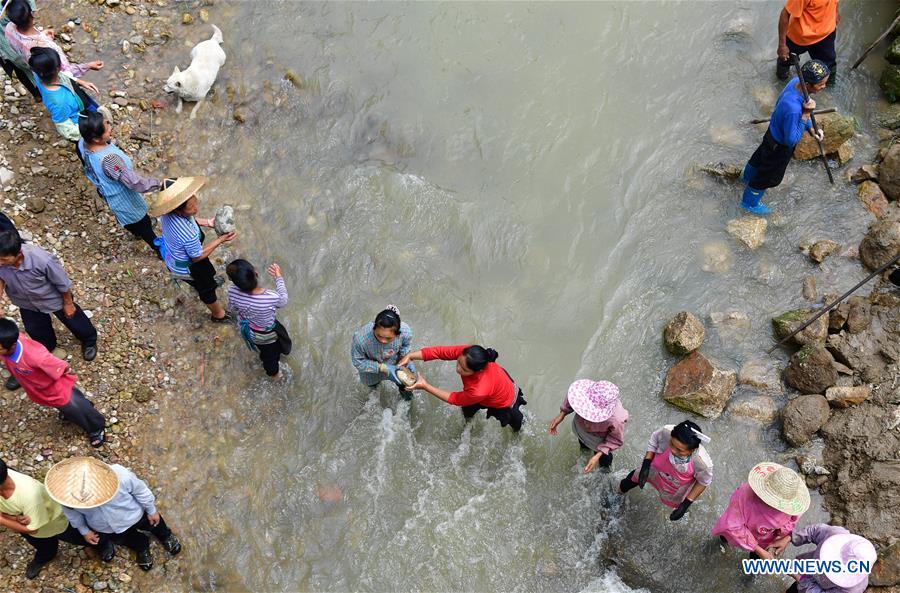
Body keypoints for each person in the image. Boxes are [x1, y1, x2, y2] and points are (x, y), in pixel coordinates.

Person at [46, 457, 181, 571]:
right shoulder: (67, 498)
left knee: (154, 523)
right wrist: (84, 531)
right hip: (106, 527)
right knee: (126, 539)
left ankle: (165, 535)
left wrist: (151, 510)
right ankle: (142, 546)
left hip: (134, 514)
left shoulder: (120, 476)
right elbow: (73, 515)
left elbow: (141, 491)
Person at [740, 59, 830, 215]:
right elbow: (791, 140)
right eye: (821, 84)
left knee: (758, 159)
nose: (824, 86)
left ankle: (745, 180)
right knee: (766, 176)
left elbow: (792, 113)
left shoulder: (795, 82)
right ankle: (749, 203)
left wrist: (811, 129)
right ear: (807, 84)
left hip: (771, 135)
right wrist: (806, 114)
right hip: (779, 147)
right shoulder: (794, 109)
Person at [0, 318, 105, 447]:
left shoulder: (36, 357)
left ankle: (96, 427)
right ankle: (76, 409)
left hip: (54, 388)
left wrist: (66, 373)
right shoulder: (8, 343)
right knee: (67, 406)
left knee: (75, 405)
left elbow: (61, 367)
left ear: (11, 345)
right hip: (37, 387)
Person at [0, 230, 98, 362]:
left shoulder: (43, 260)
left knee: (74, 319)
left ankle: (89, 340)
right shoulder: (2, 261)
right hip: (25, 302)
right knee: (35, 329)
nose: (0, 262)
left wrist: (68, 303)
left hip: (52, 298)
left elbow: (62, 283)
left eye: (4, 260)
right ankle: (49, 347)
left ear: (18, 255)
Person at [149, 177, 235, 322]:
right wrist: (221, 240)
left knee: (205, 279)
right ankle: (218, 315)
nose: (196, 209)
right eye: (191, 208)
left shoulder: (167, 213)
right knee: (206, 290)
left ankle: (206, 283)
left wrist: (208, 222)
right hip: (188, 267)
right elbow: (197, 257)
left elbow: (190, 220)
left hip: (173, 257)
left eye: (195, 202)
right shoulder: (187, 234)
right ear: (178, 210)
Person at [77, 111, 162, 258]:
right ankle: (159, 249)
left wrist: (109, 143)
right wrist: (159, 184)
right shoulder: (110, 160)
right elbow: (135, 184)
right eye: (107, 127)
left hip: (110, 196)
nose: (110, 127)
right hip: (126, 201)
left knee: (127, 220)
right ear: (96, 138)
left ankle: (136, 232)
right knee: (143, 223)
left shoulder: (82, 143)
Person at [400, 344, 528, 431]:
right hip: (490, 386)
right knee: (466, 412)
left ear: (477, 371)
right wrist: (411, 356)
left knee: (517, 428)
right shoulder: (467, 353)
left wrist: (425, 386)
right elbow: (440, 352)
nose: (458, 369)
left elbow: (455, 399)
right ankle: (467, 428)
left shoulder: (479, 390)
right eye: (458, 362)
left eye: (464, 369)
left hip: (506, 402)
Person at [0, 458, 92, 579]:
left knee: (80, 536)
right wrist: (12, 518)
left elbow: (32, 530)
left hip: (53, 522)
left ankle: (103, 543)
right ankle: (45, 556)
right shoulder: (5, 479)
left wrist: (2, 519)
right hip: (26, 523)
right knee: (44, 547)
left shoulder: (29, 496)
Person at [712, 462, 810, 559]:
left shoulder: (793, 507)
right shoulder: (744, 495)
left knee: (757, 558)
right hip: (745, 530)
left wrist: (782, 535)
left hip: (766, 538)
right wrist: (757, 549)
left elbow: (793, 519)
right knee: (726, 537)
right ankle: (721, 544)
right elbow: (732, 526)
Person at [619, 420, 713, 521]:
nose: (673, 450)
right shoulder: (666, 431)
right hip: (655, 470)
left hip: (674, 486)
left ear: (692, 450)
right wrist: (646, 463)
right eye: (671, 444)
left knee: (678, 510)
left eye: (679, 450)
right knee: (629, 481)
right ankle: (618, 494)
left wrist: (686, 504)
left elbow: (703, 482)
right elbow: (654, 439)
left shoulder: (702, 463)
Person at [225, 259, 292, 377]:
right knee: (270, 358)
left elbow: (233, 308)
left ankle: (270, 353)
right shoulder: (270, 297)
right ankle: (274, 375)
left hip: (249, 330)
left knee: (265, 349)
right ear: (256, 273)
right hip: (266, 335)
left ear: (233, 281)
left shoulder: (232, 291)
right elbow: (283, 300)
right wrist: (278, 278)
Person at [5, 0, 102, 78]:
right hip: (50, 73)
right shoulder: (46, 47)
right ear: (32, 14)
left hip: (35, 67)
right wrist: (88, 66)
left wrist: (43, 35)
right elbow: (65, 72)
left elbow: (25, 41)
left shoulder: (9, 29)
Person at [548, 379, 628, 473]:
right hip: (581, 432)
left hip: (598, 441)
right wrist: (562, 414)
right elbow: (572, 398)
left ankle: (604, 472)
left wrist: (597, 455)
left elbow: (615, 439)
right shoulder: (583, 393)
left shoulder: (616, 419)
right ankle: (584, 455)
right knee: (583, 446)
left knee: (604, 464)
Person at [28, 46, 102, 142]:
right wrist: (87, 135)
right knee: (99, 131)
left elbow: (63, 75)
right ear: (58, 68)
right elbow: (65, 128)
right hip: (82, 120)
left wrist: (80, 82)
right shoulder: (59, 103)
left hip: (78, 99)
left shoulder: (39, 75)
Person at [786, 524, 877, 593]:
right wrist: (790, 537)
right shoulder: (836, 534)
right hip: (807, 572)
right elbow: (813, 531)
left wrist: (799, 577)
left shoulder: (854, 589)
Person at [350, 305, 414, 397]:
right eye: (379, 336)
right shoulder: (360, 339)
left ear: (397, 334)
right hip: (371, 370)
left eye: (388, 338)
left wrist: (406, 358)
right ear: (374, 328)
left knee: (406, 387)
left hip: (395, 364)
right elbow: (358, 361)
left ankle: (407, 400)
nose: (383, 341)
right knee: (373, 390)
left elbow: (406, 345)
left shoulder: (405, 332)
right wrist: (383, 367)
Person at [776, 0, 839, 85]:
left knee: (829, 65)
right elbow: (785, 13)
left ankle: (829, 87)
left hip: (826, 34)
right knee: (785, 61)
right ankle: (781, 84)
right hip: (800, 37)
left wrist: (836, 13)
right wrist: (782, 45)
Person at [0, 0, 39, 101]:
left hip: (19, 26)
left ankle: (42, 91)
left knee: (33, 61)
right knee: (20, 69)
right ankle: (37, 93)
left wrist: (30, 11)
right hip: (5, 46)